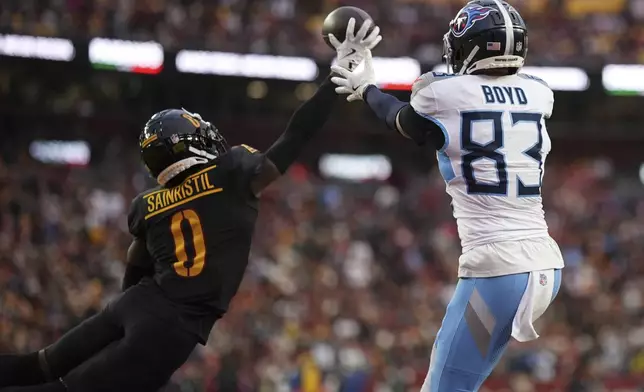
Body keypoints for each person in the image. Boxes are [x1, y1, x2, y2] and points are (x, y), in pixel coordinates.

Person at [0, 22, 382, 392]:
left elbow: (136, 265)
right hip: (171, 328)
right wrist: (335, 79)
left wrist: (129, 309)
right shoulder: (229, 173)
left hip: (135, 305)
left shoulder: (148, 203)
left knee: (40, 364)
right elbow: (295, 135)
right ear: (188, 144)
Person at [329, 1, 564, 391]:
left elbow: (406, 122)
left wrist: (367, 86)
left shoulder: (443, 93)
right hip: (545, 263)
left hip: (497, 271)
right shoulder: (539, 94)